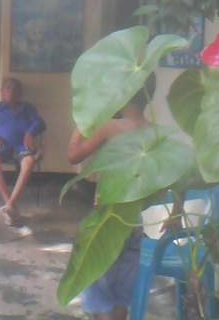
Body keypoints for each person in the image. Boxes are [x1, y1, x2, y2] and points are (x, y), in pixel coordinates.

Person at [67, 74, 156, 320]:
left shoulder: (110, 128)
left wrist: (81, 121)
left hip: (107, 218)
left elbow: (73, 155)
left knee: (101, 291)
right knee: (122, 295)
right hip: (137, 221)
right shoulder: (156, 132)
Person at [0, 77, 45, 227]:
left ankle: (10, 206)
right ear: (2, 92)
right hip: (0, 147)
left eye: (15, 89)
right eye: (8, 88)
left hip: (20, 147)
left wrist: (30, 133)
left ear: (21, 93)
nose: (11, 91)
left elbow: (40, 123)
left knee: (29, 161)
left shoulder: (27, 108)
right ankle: (9, 203)